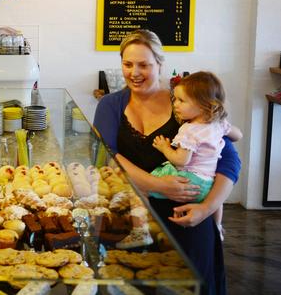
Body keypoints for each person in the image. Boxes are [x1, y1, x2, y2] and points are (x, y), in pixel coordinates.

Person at [93, 29, 241, 295]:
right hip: (131, 221)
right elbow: (106, 154)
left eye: (144, 65)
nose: (134, 72)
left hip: (187, 216)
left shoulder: (186, 102)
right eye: (128, 64)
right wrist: (158, 184)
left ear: (159, 64)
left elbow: (229, 161)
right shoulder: (110, 105)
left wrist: (207, 209)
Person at [150, 71, 243, 241]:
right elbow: (238, 135)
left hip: (189, 179)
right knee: (217, 202)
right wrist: (225, 128)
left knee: (152, 179)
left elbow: (181, 159)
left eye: (181, 100)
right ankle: (217, 227)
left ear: (202, 105)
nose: (175, 104)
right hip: (208, 184)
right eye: (175, 99)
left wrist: (164, 148)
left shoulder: (188, 130)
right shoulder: (218, 124)